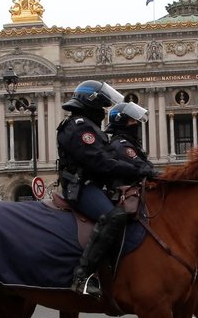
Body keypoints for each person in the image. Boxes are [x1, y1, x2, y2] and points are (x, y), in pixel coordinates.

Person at [57, 80, 153, 298]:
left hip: (95, 185)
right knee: (114, 217)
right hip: (81, 187)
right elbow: (101, 162)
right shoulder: (79, 126)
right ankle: (83, 276)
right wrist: (139, 171)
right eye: (102, 106)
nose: (103, 112)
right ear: (91, 104)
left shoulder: (88, 126)